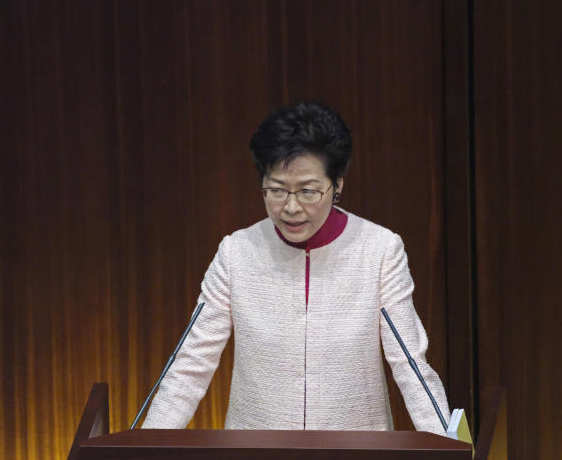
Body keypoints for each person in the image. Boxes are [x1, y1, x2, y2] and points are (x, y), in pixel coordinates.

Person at [141, 101, 450, 434]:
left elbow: (410, 363)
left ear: (338, 184)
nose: (290, 207)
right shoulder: (236, 252)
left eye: (307, 191)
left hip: (357, 457)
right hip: (257, 455)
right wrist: (145, 447)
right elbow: (190, 364)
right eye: (276, 190)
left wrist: (452, 450)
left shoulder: (379, 250)